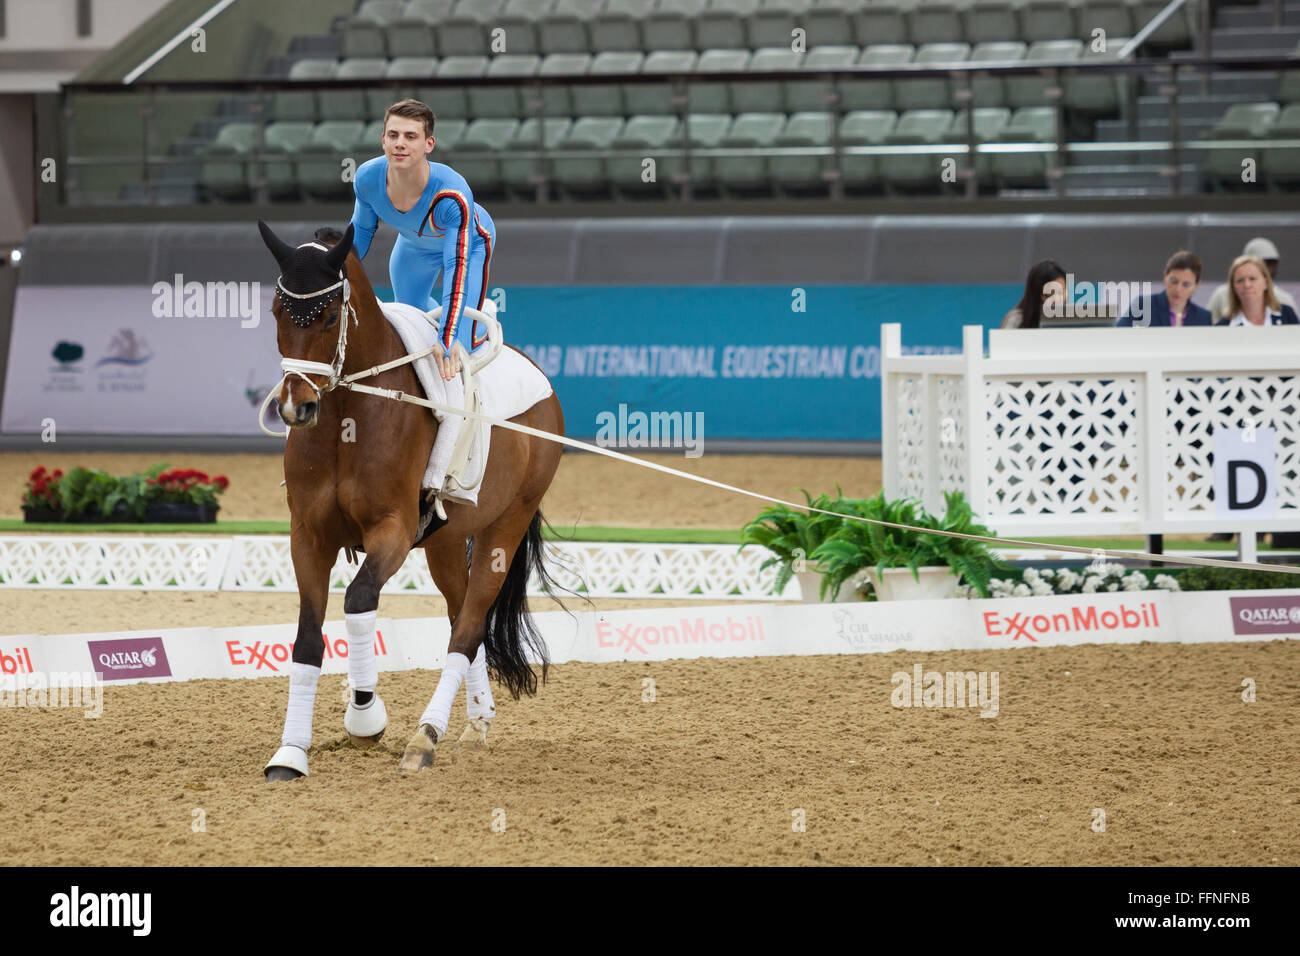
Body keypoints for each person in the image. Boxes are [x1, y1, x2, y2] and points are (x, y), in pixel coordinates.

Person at [350, 98, 496, 381]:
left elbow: (456, 266)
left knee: (457, 349)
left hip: (468, 248)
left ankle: (480, 323)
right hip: (413, 246)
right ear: (383, 140)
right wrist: (332, 269)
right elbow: (361, 232)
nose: (399, 143)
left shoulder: (451, 194)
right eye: (393, 135)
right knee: (411, 322)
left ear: (429, 144)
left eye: (410, 136)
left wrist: (449, 336)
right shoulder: (367, 178)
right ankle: (453, 321)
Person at [1206, 238, 1297, 322]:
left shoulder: (1285, 303)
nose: (1247, 285)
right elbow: (1209, 329)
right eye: (1264, 263)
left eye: (1271, 264)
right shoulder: (1221, 295)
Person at [1115, 250, 1212, 327]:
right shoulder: (1143, 306)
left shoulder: (1203, 318)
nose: (1178, 289)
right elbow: (1118, 335)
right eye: (1174, 281)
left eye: (1186, 284)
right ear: (1165, 276)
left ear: (1196, 285)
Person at [1216, 255, 1300, 326]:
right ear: (1233, 287)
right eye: (1240, 280)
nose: (1247, 285)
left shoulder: (1287, 314)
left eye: (1252, 279)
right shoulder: (1224, 325)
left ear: (1266, 283)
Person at [1001, 260, 1067, 329]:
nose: (1058, 299)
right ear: (1036, 295)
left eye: (1061, 292)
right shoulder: (1014, 320)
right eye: (1050, 294)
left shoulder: (1071, 320)